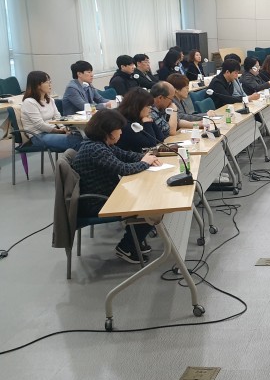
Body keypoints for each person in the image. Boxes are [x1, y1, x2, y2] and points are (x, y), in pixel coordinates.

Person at [71, 109, 161, 264]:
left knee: (148, 199)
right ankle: (126, 247)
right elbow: (123, 169)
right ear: (108, 131)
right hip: (97, 202)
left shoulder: (100, 144)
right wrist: (145, 163)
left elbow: (125, 155)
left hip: (105, 195)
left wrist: (147, 157)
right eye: (119, 129)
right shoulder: (96, 149)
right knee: (151, 207)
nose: (121, 132)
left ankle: (134, 241)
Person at [20, 71, 83, 152]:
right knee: (77, 141)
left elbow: (58, 117)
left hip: (52, 132)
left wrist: (63, 128)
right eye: (47, 82)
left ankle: (71, 158)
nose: (50, 85)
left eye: (50, 82)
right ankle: (72, 159)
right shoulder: (29, 102)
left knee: (83, 137)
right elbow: (39, 125)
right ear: (38, 85)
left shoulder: (50, 99)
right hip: (38, 136)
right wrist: (58, 131)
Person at [116, 88, 164, 153]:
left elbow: (160, 138)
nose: (150, 110)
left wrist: (150, 121)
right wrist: (147, 124)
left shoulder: (136, 118)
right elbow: (151, 144)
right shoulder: (125, 124)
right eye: (148, 106)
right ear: (138, 106)